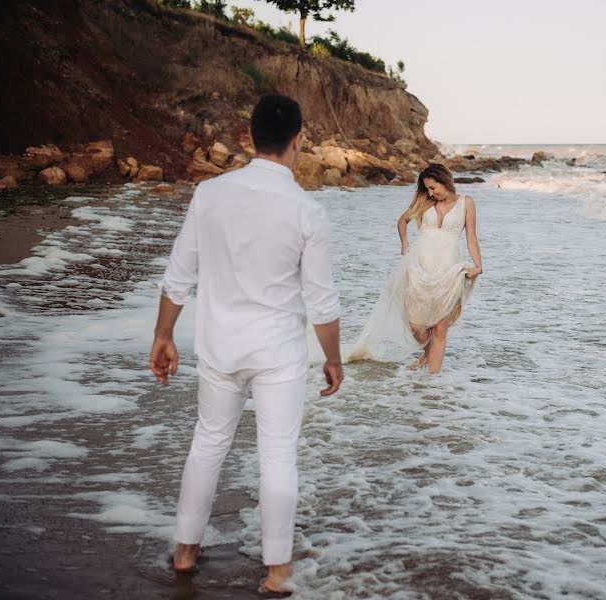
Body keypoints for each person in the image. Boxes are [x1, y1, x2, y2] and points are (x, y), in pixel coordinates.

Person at [148, 94, 343, 595]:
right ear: (299, 140)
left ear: (249, 136)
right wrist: (334, 360)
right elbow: (321, 302)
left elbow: (179, 274)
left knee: (208, 444)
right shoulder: (307, 209)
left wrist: (163, 334)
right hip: (278, 353)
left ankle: (186, 551)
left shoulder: (209, 194)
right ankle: (277, 572)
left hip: (218, 347)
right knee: (277, 456)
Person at [348, 163, 482, 373]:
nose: (431, 192)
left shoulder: (467, 203)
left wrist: (478, 266)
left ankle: (433, 384)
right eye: (427, 188)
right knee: (416, 326)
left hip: (449, 269)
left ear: (445, 181)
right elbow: (402, 221)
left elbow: (471, 238)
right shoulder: (425, 202)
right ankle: (427, 354)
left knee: (439, 328)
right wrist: (404, 243)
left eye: (433, 187)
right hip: (419, 266)